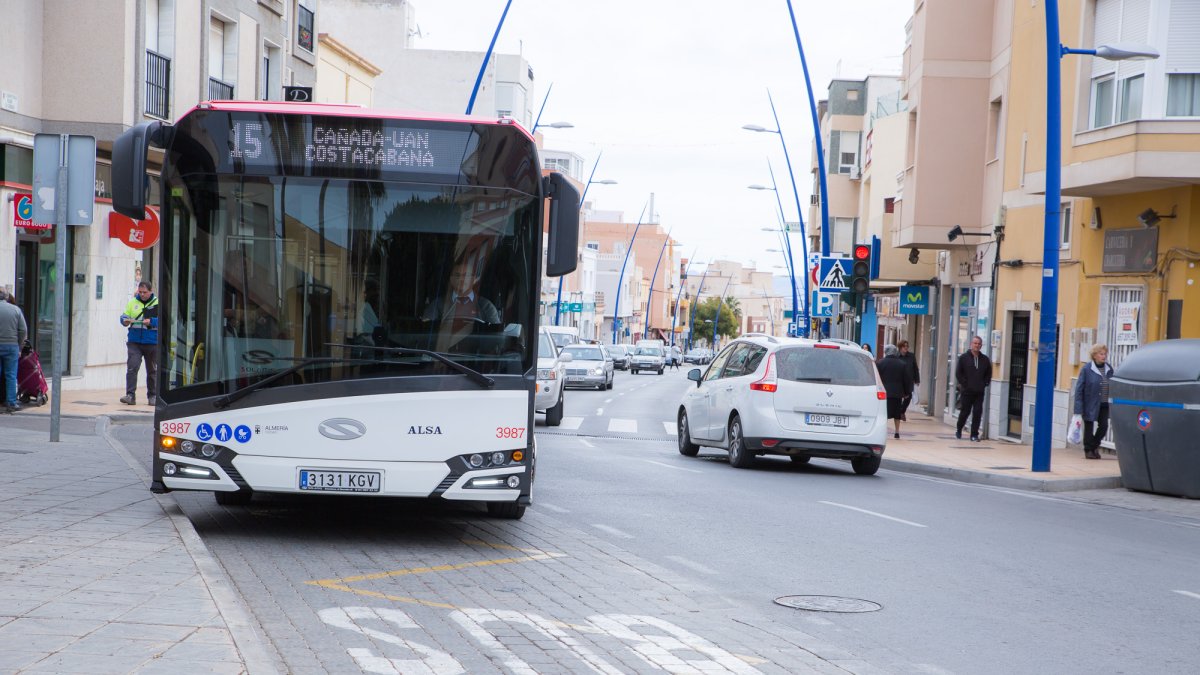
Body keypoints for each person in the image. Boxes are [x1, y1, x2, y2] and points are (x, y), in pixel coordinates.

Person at [120, 282, 159, 405]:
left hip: (152, 342)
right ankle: (130, 395)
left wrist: (152, 321)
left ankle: (152, 396)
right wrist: (124, 321)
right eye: (140, 292)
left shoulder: (157, 303)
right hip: (134, 341)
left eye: (145, 292)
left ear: (151, 291)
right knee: (132, 367)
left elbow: (167, 320)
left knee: (152, 370)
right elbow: (124, 315)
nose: (142, 294)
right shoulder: (133, 302)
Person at [1074, 343, 1114, 459]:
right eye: (1101, 354)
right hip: (1090, 402)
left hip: (1104, 403)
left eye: (1105, 354)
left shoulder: (1109, 368)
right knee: (1089, 426)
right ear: (1095, 355)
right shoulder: (1087, 369)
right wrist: (1078, 407)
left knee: (1104, 426)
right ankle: (1088, 450)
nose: (1104, 356)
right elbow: (1079, 388)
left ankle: (1094, 445)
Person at [955, 335, 992, 442]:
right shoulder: (963, 358)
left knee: (977, 412)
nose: (977, 345)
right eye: (975, 343)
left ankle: (974, 434)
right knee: (965, 412)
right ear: (971, 344)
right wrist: (964, 384)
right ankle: (959, 429)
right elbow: (958, 373)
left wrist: (985, 383)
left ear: (981, 346)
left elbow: (988, 373)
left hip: (979, 392)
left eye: (979, 344)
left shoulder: (985, 360)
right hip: (967, 391)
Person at [876, 344, 913, 439]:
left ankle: (883, 431)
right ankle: (896, 432)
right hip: (897, 393)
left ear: (886, 352)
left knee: (884, 413)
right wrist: (906, 392)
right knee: (897, 413)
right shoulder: (902, 364)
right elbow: (906, 380)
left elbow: (877, 378)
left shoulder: (880, 363)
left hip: (884, 393)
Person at [0, 288, 28, 414]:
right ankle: (11, 402)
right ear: (7, 297)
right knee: (11, 375)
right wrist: (19, 345)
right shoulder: (16, 310)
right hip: (12, 346)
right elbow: (23, 330)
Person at [898, 339, 920, 420]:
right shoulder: (896, 356)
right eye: (904, 346)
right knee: (899, 397)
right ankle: (899, 413)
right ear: (900, 347)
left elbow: (915, 368)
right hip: (899, 380)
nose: (906, 348)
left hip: (909, 380)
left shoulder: (911, 356)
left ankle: (902, 411)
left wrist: (917, 379)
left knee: (909, 396)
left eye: (907, 346)